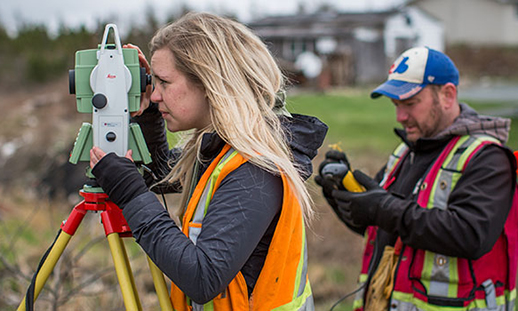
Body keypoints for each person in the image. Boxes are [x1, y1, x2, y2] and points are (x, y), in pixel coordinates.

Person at [89, 12, 327, 310]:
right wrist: (150, 114)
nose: (156, 94)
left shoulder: (255, 169)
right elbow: (162, 173)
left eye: (163, 82)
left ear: (209, 83)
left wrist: (131, 194)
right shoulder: (221, 150)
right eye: (153, 82)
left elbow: (203, 278)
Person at [315, 46, 518, 310]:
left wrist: (381, 207)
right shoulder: (406, 151)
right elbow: (377, 227)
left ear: (447, 95)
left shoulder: (487, 157)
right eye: (396, 105)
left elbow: (470, 234)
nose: (401, 117)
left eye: (410, 104)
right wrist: (341, 195)